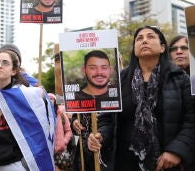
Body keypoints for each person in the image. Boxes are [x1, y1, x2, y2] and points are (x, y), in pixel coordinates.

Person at [87, 26, 195, 171]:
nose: (144, 41)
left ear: (163, 47)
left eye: (150, 37)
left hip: (166, 162)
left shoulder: (180, 78)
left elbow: (191, 118)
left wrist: (176, 151)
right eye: (139, 38)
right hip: (125, 162)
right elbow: (108, 118)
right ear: (134, 48)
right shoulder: (118, 80)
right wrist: (101, 135)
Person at [71, 50, 114, 171]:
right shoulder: (77, 95)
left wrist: (101, 136)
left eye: (104, 67)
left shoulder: (116, 96)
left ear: (110, 70)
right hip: (83, 157)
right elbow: (75, 116)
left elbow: (114, 123)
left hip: (108, 155)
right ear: (84, 70)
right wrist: (74, 122)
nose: (99, 72)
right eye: (93, 68)